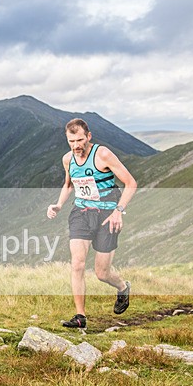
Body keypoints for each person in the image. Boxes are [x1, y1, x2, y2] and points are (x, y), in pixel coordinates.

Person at [47, 118, 137, 329]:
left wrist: (118, 211)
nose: (76, 145)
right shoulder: (68, 159)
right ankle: (80, 317)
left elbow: (131, 183)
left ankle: (123, 287)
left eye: (80, 140)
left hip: (107, 215)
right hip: (81, 213)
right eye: (71, 141)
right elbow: (69, 184)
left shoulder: (102, 154)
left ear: (89, 136)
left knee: (101, 273)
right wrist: (59, 204)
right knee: (77, 264)